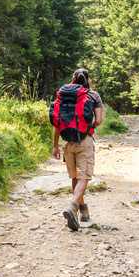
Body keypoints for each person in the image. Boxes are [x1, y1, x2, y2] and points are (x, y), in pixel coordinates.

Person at [52, 68, 103, 231]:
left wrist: (55, 145)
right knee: (83, 177)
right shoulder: (93, 95)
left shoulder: (64, 94)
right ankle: (73, 206)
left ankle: (83, 211)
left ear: (73, 79)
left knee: (74, 176)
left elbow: (57, 122)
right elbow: (99, 121)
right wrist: (87, 126)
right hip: (84, 140)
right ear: (87, 79)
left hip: (66, 141)